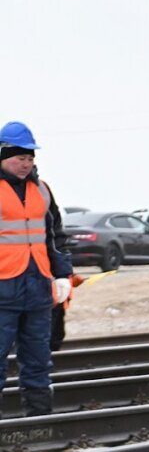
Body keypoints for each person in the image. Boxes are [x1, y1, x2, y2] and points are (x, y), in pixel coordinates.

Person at [0, 121, 73, 418]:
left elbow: (55, 236)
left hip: (38, 288)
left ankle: (39, 422)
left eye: (30, 159)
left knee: (39, 359)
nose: (26, 164)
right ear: (4, 155)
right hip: (3, 289)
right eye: (20, 158)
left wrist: (62, 274)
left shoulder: (42, 191)